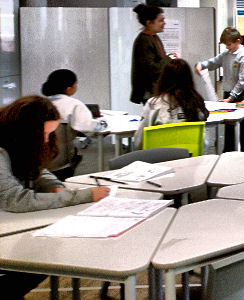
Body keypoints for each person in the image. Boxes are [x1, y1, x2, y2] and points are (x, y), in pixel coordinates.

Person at [0, 96, 110, 297]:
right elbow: (16, 199)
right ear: (25, 131)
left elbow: (36, 169)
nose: (45, 140)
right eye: (43, 134)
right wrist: (80, 196)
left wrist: (55, 188)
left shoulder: (14, 142)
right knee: (35, 263)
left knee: (40, 259)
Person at [196, 27, 244, 151]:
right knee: (229, 126)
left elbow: (242, 81)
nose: (227, 47)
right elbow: (214, 62)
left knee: (242, 127)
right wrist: (202, 65)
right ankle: (228, 151)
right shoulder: (226, 54)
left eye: (229, 44)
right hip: (229, 93)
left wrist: (231, 98)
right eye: (225, 45)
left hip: (243, 94)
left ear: (238, 41)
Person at [133, 59, 208, 150]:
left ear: (164, 79)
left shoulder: (153, 104)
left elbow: (139, 142)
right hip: (190, 160)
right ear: (188, 79)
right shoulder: (196, 103)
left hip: (159, 161)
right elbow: (204, 144)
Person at [40, 69, 100, 180]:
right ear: (69, 89)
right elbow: (87, 127)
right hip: (60, 163)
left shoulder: (39, 102)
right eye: (75, 84)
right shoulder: (74, 105)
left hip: (39, 160)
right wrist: (101, 123)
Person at [130, 4, 179, 104]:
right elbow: (152, 68)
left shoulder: (154, 37)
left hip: (157, 90)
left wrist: (169, 58)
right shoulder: (143, 41)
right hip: (150, 92)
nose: (164, 23)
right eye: (160, 20)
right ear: (149, 23)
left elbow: (159, 60)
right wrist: (169, 59)